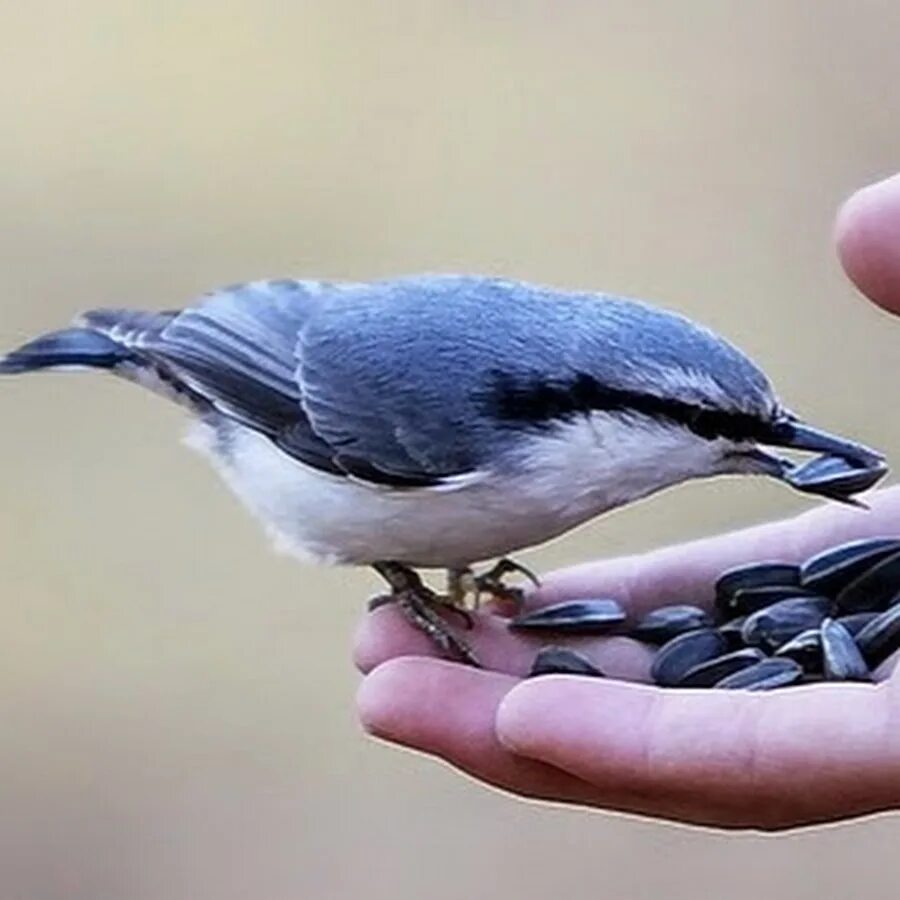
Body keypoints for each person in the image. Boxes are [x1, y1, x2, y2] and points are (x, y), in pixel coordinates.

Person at [353, 173, 900, 831]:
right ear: (605, 413)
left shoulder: (552, 440)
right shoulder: (460, 431)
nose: (774, 450)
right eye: (707, 424)